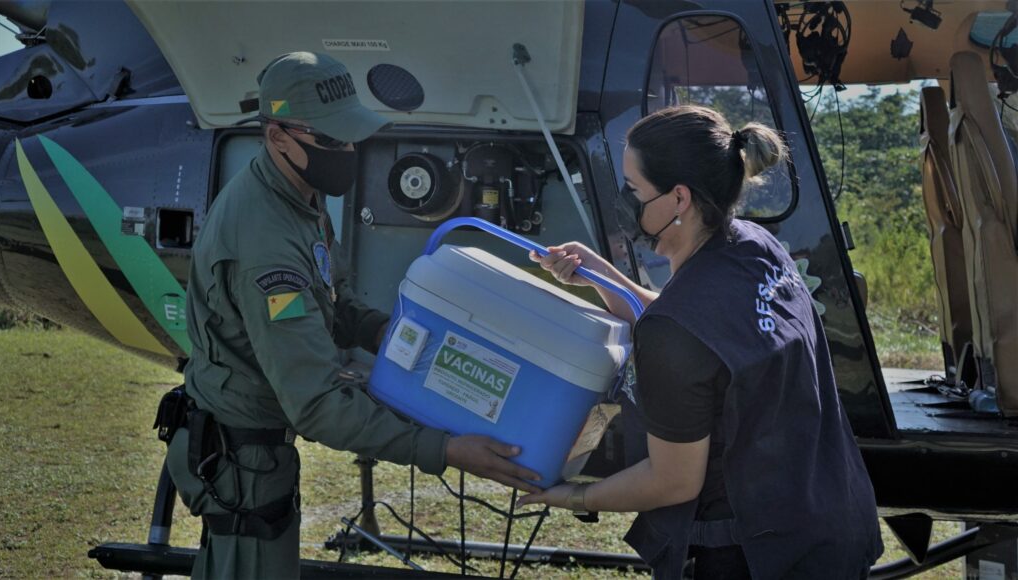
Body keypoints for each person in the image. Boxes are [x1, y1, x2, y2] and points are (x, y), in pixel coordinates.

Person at [166, 52, 539, 579]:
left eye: (350, 138)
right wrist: (444, 449)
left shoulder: (297, 195)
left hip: (256, 452)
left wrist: (381, 330)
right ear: (278, 137)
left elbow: (331, 293)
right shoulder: (264, 243)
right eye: (332, 141)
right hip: (239, 461)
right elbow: (316, 404)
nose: (347, 152)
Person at [518, 105, 883, 579]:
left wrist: (574, 495)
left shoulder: (679, 328)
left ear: (679, 198)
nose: (625, 201)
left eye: (633, 190)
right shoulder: (756, 246)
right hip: (828, 518)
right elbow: (704, 329)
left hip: (754, 557)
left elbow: (671, 481)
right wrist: (599, 275)